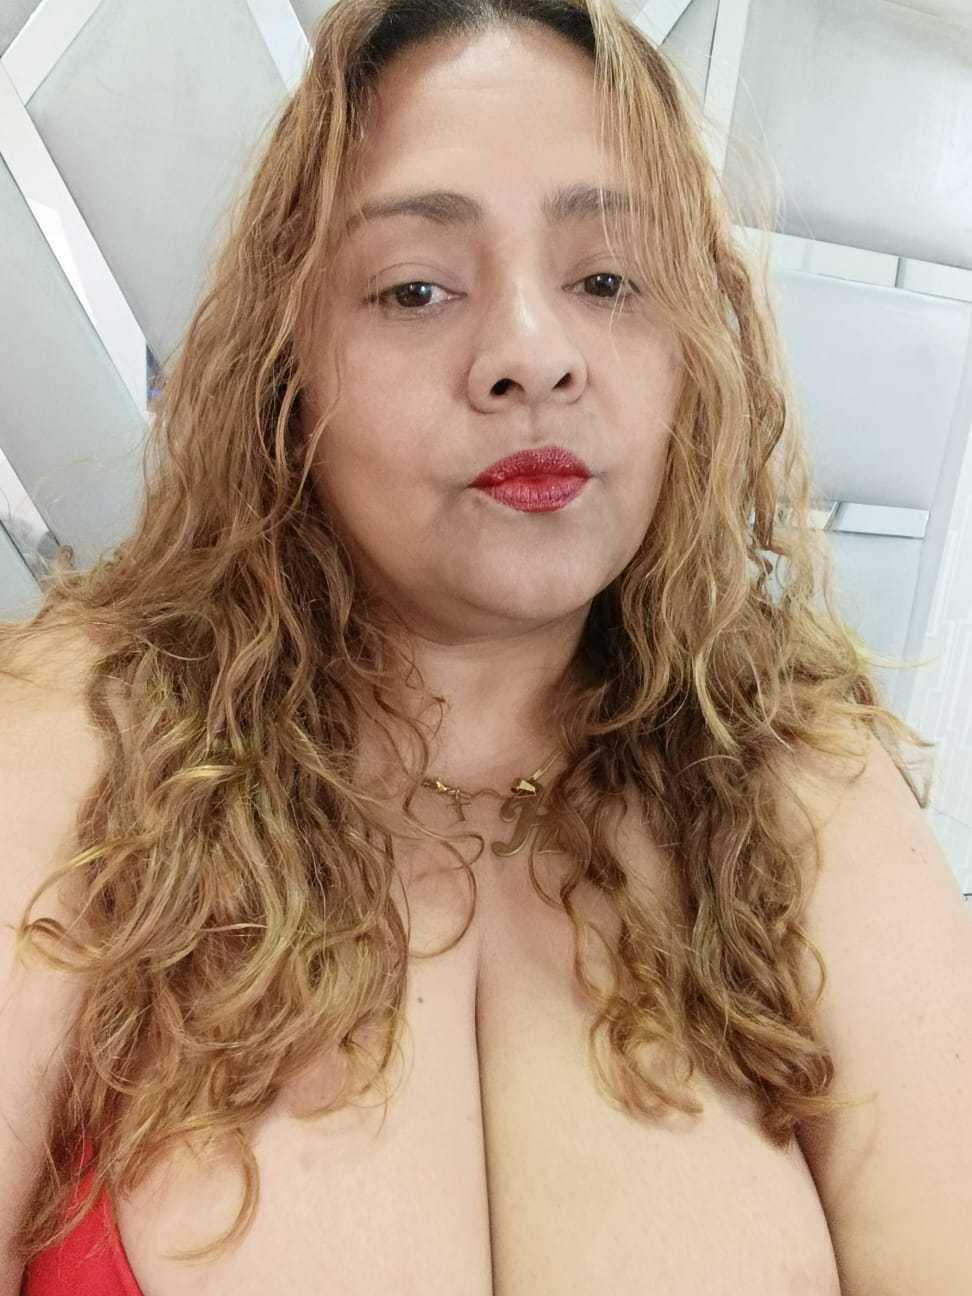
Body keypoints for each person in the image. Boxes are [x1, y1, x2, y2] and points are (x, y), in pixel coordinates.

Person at [3, 1, 971, 1293]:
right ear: (288, 362)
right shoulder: (77, 744)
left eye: (607, 279)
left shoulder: (806, 796)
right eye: (416, 288)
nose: (532, 355)